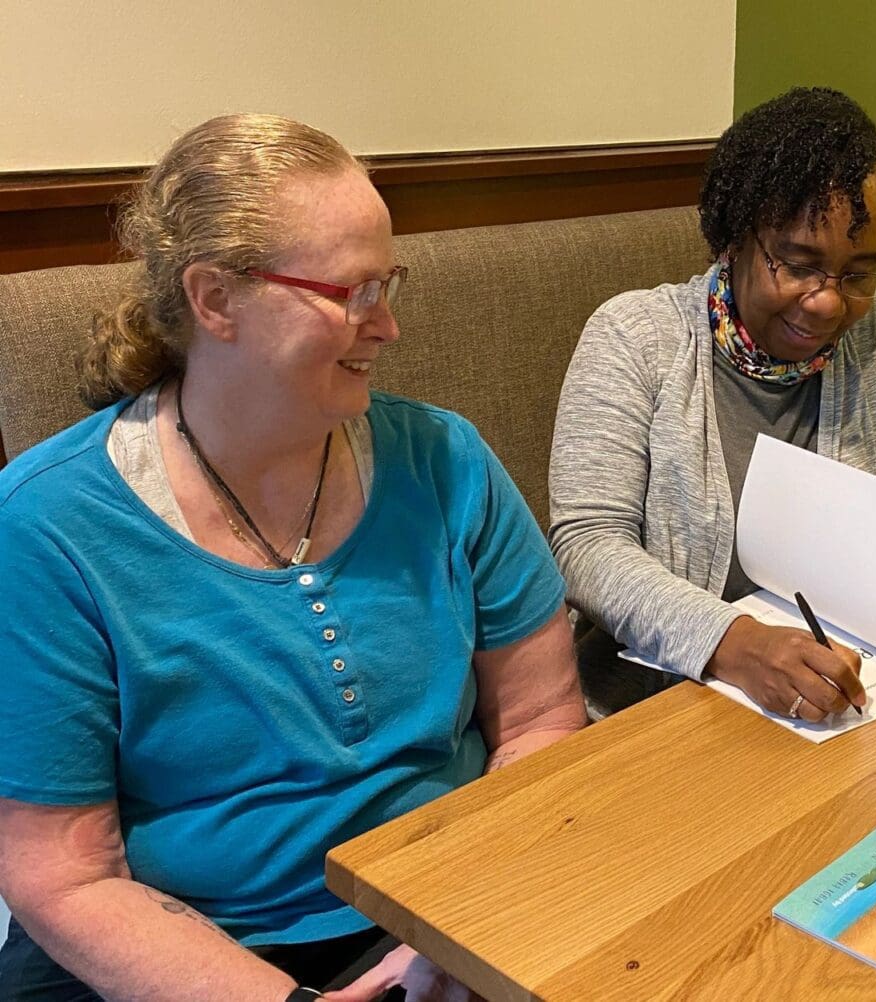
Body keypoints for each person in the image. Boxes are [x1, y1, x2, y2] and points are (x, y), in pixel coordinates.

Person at [0, 114, 587, 1002]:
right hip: (181, 951)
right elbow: (64, 875)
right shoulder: (48, 529)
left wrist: (454, 928)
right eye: (353, 292)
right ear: (215, 300)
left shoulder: (447, 461)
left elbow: (541, 718)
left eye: (389, 284)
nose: (386, 327)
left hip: (447, 907)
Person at [548, 87, 876, 722]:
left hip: (829, 706)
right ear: (734, 239)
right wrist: (735, 644)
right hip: (652, 710)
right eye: (797, 264)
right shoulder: (634, 337)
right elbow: (586, 546)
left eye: (858, 275)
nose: (826, 302)